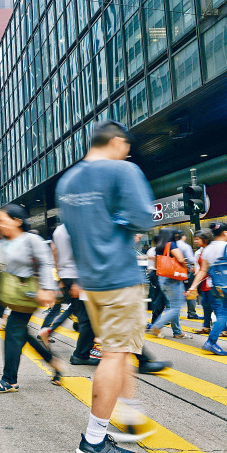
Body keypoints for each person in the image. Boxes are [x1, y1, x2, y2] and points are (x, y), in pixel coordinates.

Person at [57, 120, 155, 452]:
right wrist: (123, 222)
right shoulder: (122, 171)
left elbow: (71, 231)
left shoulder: (67, 182)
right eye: (127, 146)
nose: (128, 152)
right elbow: (143, 217)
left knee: (120, 351)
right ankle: (94, 440)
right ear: (116, 142)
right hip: (120, 277)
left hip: (91, 282)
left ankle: (129, 418)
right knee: (114, 355)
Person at [0, 204, 65, 392]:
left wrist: (46, 288)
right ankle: (53, 361)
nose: (0, 225)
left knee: (12, 331)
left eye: (3, 221)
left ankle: (9, 380)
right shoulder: (2, 243)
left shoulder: (31, 240)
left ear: (18, 221)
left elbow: (45, 264)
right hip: (11, 295)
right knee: (20, 332)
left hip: (28, 295)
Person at [38, 224, 98, 366]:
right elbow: (83, 252)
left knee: (78, 311)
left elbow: (54, 249)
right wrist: (79, 281)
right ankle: (81, 354)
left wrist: (61, 274)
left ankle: (50, 332)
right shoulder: (78, 226)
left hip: (69, 276)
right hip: (79, 277)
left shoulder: (60, 228)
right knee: (87, 317)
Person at [187, 222, 227, 355]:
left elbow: (203, 270)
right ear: (225, 232)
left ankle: (211, 342)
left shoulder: (208, 249)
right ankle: (211, 341)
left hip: (217, 287)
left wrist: (193, 286)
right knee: (222, 314)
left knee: (222, 313)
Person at [147, 228, 193, 340]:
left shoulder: (159, 247)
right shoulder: (171, 244)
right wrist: (186, 262)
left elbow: (158, 263)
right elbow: (180, 259)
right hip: (173, 279)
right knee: (176, 307)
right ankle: (157, 326)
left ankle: (177, 332)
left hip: (163, 278)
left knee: (173, 306)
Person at [192, 230, 214, 335]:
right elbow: (198, 269)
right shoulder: (199, 252)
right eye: (195, 239)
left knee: (217, 306)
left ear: (205, 239)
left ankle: (223, 328)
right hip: (204, 283)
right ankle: (206, 327)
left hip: (215, 282)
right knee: (205, 304)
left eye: (197, 239)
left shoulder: (213, 249)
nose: (195, 241)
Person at [146, 235, 169, 326]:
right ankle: (156, 321)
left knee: (159, 297)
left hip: (153, 274)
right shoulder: (158, 250)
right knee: (160, 298)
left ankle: (158, 320)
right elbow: (158, 265)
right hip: (158, 274)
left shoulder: (151, 250)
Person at [177, 233, 200, 319]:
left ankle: (175, 315)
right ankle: (191, 313)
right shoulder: (185, 246)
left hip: (174, 272)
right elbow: (191, 259)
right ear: (183, 236)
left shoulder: (170, 245)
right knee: (191, 290)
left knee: (178, 292)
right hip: (186, 271)